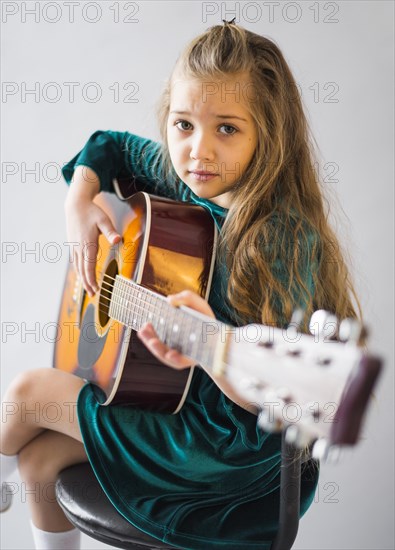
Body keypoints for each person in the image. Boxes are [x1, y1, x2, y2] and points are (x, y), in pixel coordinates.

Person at [0, 20, 361, 550]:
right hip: (179, 408)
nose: (198, 151)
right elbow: (110, 146)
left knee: (28, 394)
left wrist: (212, 346)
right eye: (183, 124)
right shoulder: (183, 177)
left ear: (270, 134)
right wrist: (77, 202)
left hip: (225, 451)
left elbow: (269, 402)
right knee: (36, 460)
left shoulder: (281, 241)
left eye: (227, 129)